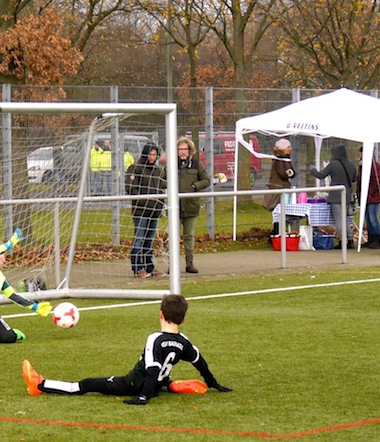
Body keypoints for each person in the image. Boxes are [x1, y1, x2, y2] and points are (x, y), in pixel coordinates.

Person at [21, 294, 232, 405]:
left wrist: (143, 397)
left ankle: (40, 385)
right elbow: (199, 362)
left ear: (160, 314)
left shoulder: (155, 339)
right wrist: (213, 383)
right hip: (156, 384)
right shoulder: (183, 341)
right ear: (183, 320)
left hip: (134, 385)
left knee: (87, 384)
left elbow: (151, 369)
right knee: (161, 379)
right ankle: (169, 385)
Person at [168, 137, 210, 274]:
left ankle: (189, 263)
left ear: (190, 150)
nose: (182, 152)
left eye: (185, 149)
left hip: (191, 205)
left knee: (189, 235)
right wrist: (170, 186)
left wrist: (195, 186)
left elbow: (206, 180)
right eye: (180, 149)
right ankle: (172, 265)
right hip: (174, 206)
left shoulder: (196, 165)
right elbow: (161, 180)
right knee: (173, 236)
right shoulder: (171, 165)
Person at [125, 144, 165, 278]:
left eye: (154, 155)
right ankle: (138, 267)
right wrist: (145, 202)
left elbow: (160, 188)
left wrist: (159, 204)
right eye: (150, 154)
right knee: (139, 239)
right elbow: (131, 188)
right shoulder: (135, 168)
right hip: (141, 211)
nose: (152, 157)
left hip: (154, 210)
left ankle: (149, 266)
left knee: (149, 240)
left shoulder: (157, 170)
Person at [309, 144, 356, 249]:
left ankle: (342, 242)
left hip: (336, 195)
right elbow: (354, 179)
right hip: (347, 195)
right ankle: (350, 241)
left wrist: (312, 169)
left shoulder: (333, 164)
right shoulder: (351, 164)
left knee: (339, 220)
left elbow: (321, 175)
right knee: (345, 219)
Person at [263, 139, 296, 238]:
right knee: (278, 212)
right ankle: (276, 233)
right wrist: (289, 173)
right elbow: (284, 174)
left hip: (284, 188)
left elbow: (292, 173)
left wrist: (289, 173)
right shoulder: (278, 160)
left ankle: (280, 232)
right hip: (277, 189)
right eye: (288, 147)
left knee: (284, 211)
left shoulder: (286, 160)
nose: (290, 149)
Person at [357, 152, 380, 249]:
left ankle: (377, 240)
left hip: (372, 196)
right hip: (366, 197)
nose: (360, 155)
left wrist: (369, 193)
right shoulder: (361, 166)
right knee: (368, 219)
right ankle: (371, 239)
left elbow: (377, 181)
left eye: (362, 153)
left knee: (373, 218)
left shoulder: (374, 165)